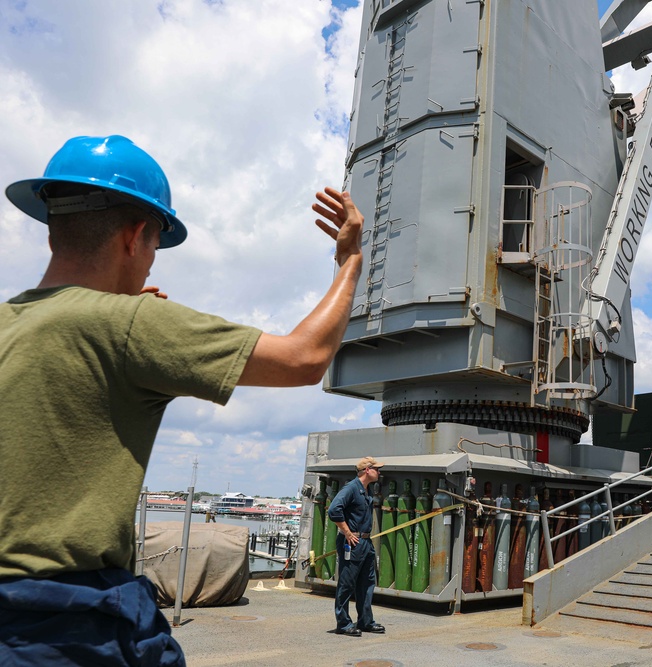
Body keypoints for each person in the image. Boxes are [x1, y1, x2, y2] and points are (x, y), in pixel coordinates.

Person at [0, 135, 364, 666]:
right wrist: (350, 259)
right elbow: (305, 357)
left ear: (53, 226)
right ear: (135, 234)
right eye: (154, 247)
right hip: (68, 626)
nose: (151, 265)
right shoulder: (131, 324)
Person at [327, 456, 386, 637]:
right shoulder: (352, 488)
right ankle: (343, 624)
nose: (379, 472)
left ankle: (365, 622)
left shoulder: (366, 490)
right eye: (376, 469)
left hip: (366, 543)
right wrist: (347, 532)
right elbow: (333, 510)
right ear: (367, 470)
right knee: (347, 583)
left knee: (367, 583)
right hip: (353, 543)